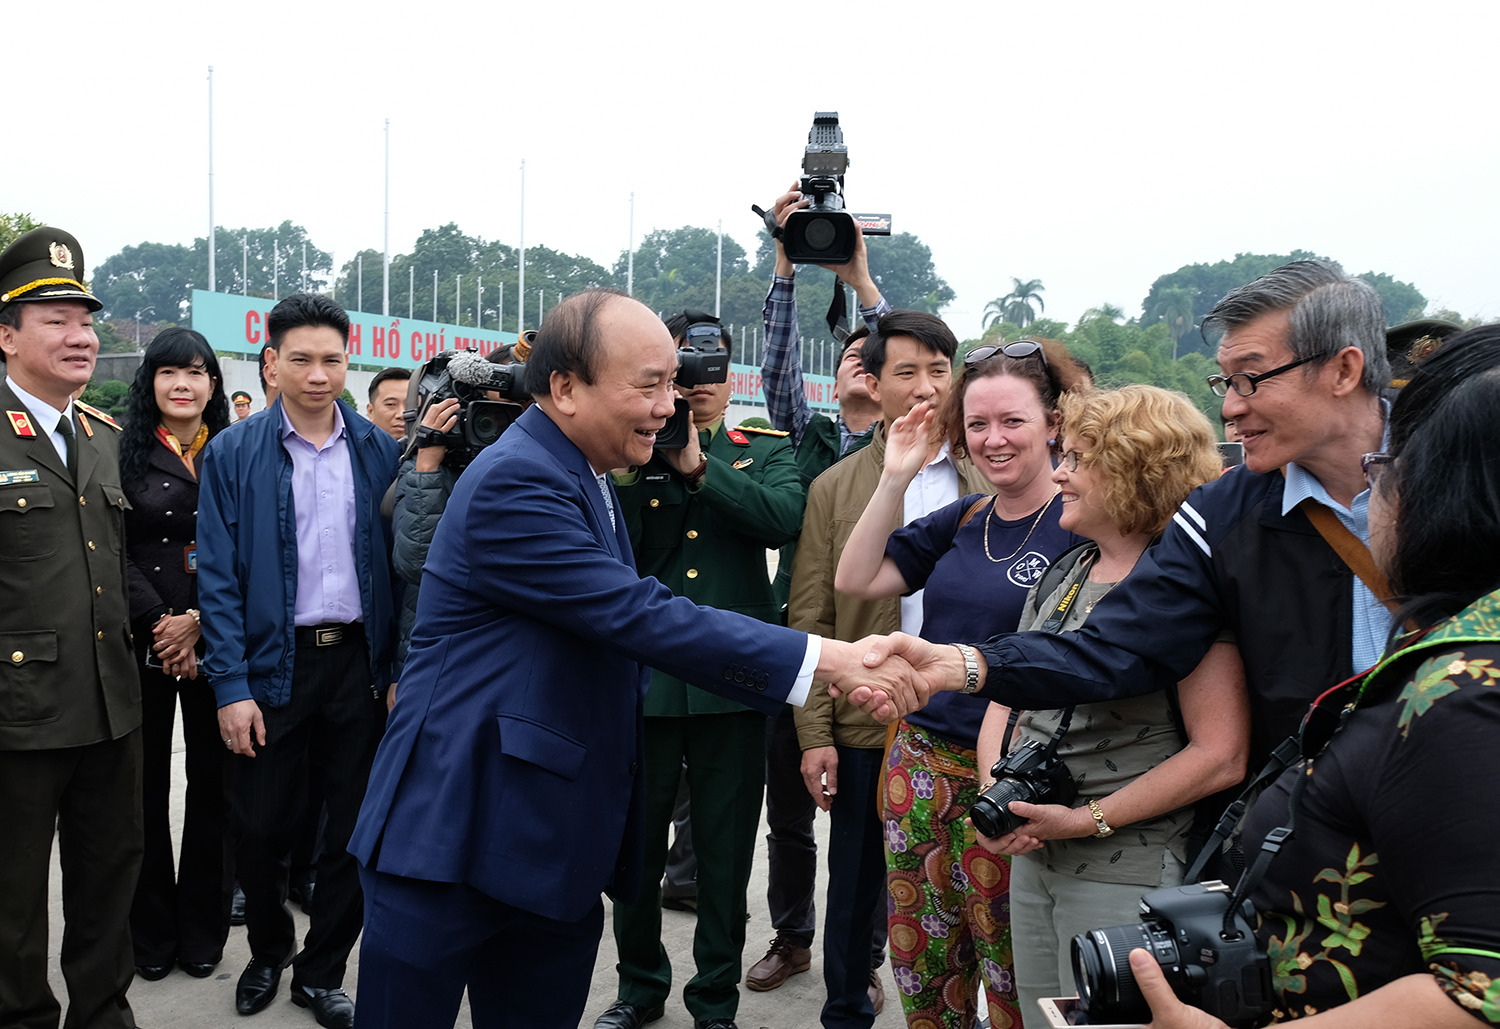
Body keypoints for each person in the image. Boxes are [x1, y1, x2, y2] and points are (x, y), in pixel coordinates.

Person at [347, 288, 921, 1029]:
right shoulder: (517, 479)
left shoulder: (582, 469)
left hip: (546, 838)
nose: (667, 405)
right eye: (648, 385)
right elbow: (637, 614)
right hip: (454, 828)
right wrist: (827, 660)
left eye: (672, 383)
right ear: (565, 387)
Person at [854, 260, 1398, 782]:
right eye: (1226, 383)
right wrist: (965, 665)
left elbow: (1216, 749)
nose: (1231, 408)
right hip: (1305, 811)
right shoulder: (1220, 516)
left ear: (1343, 371)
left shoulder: (1445, 481)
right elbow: (1117, 646)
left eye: (1251, 379)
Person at [1134, 324, 1500, 1028]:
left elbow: (1482, 991)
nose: (1374, 488)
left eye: (1386, 467)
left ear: (1449, 494)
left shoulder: (1466, 695)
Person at [966, 384, 1249, 1018]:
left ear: (1132, 469)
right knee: (1043, 1015)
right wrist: (998, 795)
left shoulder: (1183, 589)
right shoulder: (1067, 570)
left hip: (1126, 868)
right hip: (1037, 850)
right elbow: (1008, 700)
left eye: (1076, 459)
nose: (1058, 473)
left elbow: (1220, 755)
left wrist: (1085, 821)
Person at [834, 338, 1091, 1029]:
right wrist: (894, 477)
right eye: (977, 424)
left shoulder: (1080, 525)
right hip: (917, 769)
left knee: (1013, 969)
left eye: (1012, 421)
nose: (993, 439)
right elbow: (855, 578)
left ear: (1055, 423)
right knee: (924, 967)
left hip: (1012, 777)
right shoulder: (967, 517)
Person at [597, 314, 807, 1029]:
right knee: (637, 850)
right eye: (681, 373)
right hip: (648, 681)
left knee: (724, 855)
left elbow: (784, 518)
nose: (698, 387)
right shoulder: (626, 453)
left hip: (733, 681)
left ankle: (715, 998)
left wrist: (699, 468)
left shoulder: (763, 449)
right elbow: (611, 543)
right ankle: (639, 988)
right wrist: (638, 466)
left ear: (732, 376)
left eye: (711, 372)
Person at [197, 292, 401, 1027]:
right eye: (302, 359)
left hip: (359, 666)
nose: (319, 375)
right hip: (271, 667)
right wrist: (230, 686)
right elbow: (218, 578)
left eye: (333, 360)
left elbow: (405, 569)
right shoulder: (232, 452)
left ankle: (321, 972)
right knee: (258, 829)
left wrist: (398, 669)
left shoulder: (379, 451)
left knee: (353, 832)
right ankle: (268, 950)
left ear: (350, 364)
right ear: (271, 362)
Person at [790, 310, 997, 1029]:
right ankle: (845, 1009)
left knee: (974, 890)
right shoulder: (837, 487)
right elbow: (811, 615)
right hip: (866, 715)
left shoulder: (989, 474)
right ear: (872, 385)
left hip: (971, 722)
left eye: (939, 370)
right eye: (906, 372)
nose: (927, 387)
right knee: (854, 884)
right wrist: (815, 733)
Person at [0, 227, 142, 1029]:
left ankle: (103, 1013)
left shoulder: (99, 437)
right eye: (55, 319)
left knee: (109, 875)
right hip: (16, 712)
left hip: (110, 704)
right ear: (7, 335)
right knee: (12, 897)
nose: (80, 335)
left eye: (85, 320)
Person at [752, 183, 886, 1000]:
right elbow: (776, 362)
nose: (861, 363)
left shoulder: (916, 448)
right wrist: (785, 259)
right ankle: (794, 935)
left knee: (872, 821)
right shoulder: (808, 439)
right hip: (798, 644)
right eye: (849, 357)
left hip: (877, 649)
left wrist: (861, 281)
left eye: (875, 358)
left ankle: (862, 955)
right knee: (791, 811)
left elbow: (910, 355)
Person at [119, 328, 234, 982]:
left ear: (213, 383)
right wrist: (163, 622)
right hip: (145, 639)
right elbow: (111, 546)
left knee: (214, 789)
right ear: (151, 381)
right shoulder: (122, 450)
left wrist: (197, 621)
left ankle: (202, 931)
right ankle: (152, 933)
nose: (182, 384)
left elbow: (253, 547)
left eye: (195, 372)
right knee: (143, 789)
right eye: (168, 372)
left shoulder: (236, 449)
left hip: (219, 638)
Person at [389, 343, 527, 693]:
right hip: (439, 657)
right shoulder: (431, 463)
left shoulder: (538, 466)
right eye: (498, 407)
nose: (510, 419)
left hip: (512, 656)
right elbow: (416, 564)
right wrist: (427, 463)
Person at [365, 366, 410, 440]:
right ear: (371, 411)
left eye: (409, 405)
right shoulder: (352, 445)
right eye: (391, 404)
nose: (402, 414)